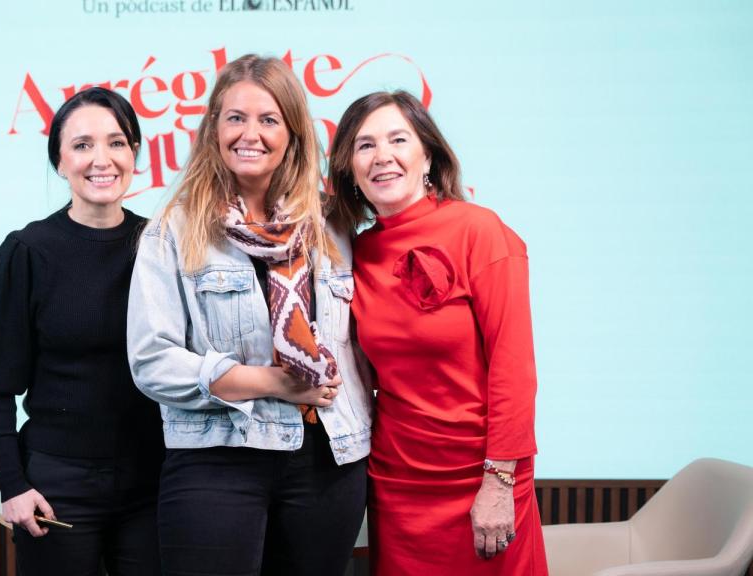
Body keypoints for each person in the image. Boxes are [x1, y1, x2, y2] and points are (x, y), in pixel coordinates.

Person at [126, 54, 372, 576]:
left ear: (293, 133)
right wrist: (273, 383)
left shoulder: (332, 225)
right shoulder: (174, 230)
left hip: (327, 459)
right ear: (213, 127)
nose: (249, 133)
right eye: (235, 117)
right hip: (217, 458)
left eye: (268, 119)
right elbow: (151, 361)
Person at [328, 90, 547, 575]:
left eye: (397, 139)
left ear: (426, 154)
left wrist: (498, 482)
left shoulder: (480, 231)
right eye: (364, 146)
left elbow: (514, 370)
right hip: (398, 481)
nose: (382, 156)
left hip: (484, 478)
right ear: (349, 168)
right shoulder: (354, 251)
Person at [0, 87, 164, 576]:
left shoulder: (161, 244)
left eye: (117, 143)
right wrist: (13, 486)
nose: (102, 159)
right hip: (58, 487)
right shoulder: (28, 250)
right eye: (82, 145)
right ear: (59, 161)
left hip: (153, 482)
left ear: (135, 153)